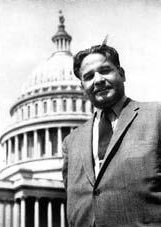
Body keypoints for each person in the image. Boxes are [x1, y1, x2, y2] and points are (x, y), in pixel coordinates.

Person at [62, 43, 161, 227]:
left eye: (105, 70)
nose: (98, 80)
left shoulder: (156, 116)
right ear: (83, 87)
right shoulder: (72, 141)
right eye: (89, 76)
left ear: (122, 74)